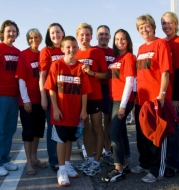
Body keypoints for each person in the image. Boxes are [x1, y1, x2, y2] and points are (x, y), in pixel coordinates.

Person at [44, 36, 92, 186]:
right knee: (60, 140)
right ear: (63, 49)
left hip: (75, 111)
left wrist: (84, 110)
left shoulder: (81, 67)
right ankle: (61, 169)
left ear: (78, 48)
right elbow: (51, 89)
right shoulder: (56, 65)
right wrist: (56, 108)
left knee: (70, 140)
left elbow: (84, 91)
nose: (71, 50)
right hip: (60, 112)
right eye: (68, 47)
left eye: (74, 47)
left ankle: (67, 163)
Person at [131, 14, 172, 183]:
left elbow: (165, 72)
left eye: (147, 26)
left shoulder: (161, 44)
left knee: (157, 136)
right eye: (141, 28)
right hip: (142, 100)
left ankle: (157, 171)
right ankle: (145, 163)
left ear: (153, 27)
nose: (144, 30)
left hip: (156, 99)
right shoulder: (140, 48)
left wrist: (161, 94)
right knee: (142, 136)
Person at [101, 29, 136, 182]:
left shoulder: (128, 57)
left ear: (128, 40)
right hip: (114, 99)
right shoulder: (117, 58)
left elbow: (129, 82)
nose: (120, 42)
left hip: (122, 101)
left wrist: (122, 106)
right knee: (120, 133)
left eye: (123, 38)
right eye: (117, 39)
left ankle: (118, 169)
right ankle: (125, 163)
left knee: (113, 133)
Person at [75, 22, 108, 176]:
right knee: (85, 129)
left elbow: (106, 74)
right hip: (80, 98)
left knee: (97, 128)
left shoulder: (97, 52)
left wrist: (92, 73)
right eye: (82, 34)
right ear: (77, 36)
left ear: (91, 36)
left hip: (95, 95)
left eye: (88, 34)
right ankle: (89, 158)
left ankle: (97, 160)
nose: (85, 37)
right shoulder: (74, 53)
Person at [0, 20, 20, 176]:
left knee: (10, 130)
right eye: (9, 31)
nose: (11, 33)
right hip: (0, 96)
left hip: (13, 97)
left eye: (14, 31)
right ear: (3, 32)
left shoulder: (18, 52)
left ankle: (5, 159)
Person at [16, 28, 46, 175]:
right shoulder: (24, 55)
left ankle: (34, 158)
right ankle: (28, 163)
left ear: (40, 39)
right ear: (28, 40)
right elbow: (21, 79)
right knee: (28, 132)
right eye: (31, 38)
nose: (34, 40)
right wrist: (26, 100)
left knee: (37, 132)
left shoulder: (42, 54)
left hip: (41, 100)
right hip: (28, 100)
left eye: (37, 37)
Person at [161, 12, 179, 177]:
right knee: (167, 128)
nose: (166, 26)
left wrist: (176, 98)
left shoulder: (178, 43)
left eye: (169, 23)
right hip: (166, 93)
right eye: (163, 23)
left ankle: (175, 164)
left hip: (176, 95)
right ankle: (169, 160)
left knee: (173, 129)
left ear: (176, 24)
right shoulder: (162, 42)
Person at [39, 23, 65, 171]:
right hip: (52, 95)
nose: (55, 35)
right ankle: (54, 160)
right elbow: (42, 76)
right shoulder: (46, 51)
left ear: (63, 32)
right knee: (53, 128)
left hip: (67, 95)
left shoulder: (68, 47)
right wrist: (43, 96)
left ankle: (64, 159)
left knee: (65, 127)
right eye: (52, 33)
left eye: (58, 32)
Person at [95, 25, 115, 165]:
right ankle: (96, 150)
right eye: (101, 34)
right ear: (97, 36)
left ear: (109, 36)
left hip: (110, 90)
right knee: (94, 124)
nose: (103, 36)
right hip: (95, 90)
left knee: (107, 121)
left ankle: (107, 150)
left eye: (106, 34)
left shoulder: (114, 52)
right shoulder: (93, 51)